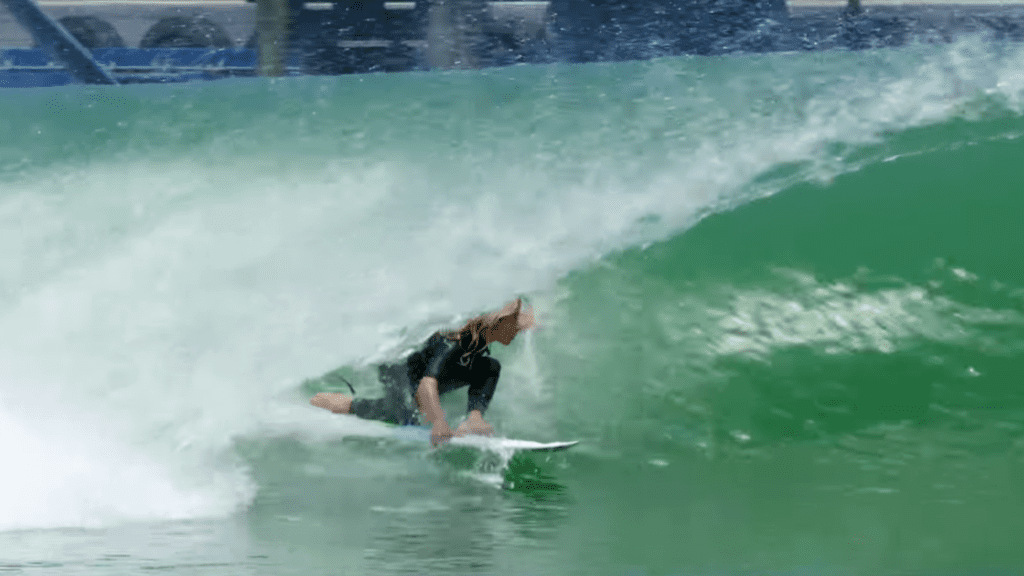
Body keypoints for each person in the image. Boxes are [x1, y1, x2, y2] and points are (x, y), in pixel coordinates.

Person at [310, 298, 537, 445]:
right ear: (497, 324)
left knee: (490, 366)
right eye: (514, 324)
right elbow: (427, 384)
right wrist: (438, 421)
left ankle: (474, 419)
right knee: (403, 416)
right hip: (400, 368)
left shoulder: (481, 341)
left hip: (435, 375)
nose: (517, 329)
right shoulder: (454, 341)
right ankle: (334, 403)